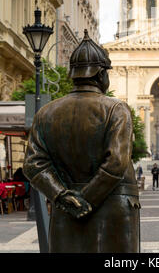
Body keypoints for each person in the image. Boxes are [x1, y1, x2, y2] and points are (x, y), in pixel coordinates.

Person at [23, 30, 140, 253]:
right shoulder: (116, 109)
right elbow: (116, 162)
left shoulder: (46, 112)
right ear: (101, 75)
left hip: (66, 210)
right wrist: (85, 199)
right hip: (112, 207)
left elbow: (32, 164)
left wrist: (63, 196)